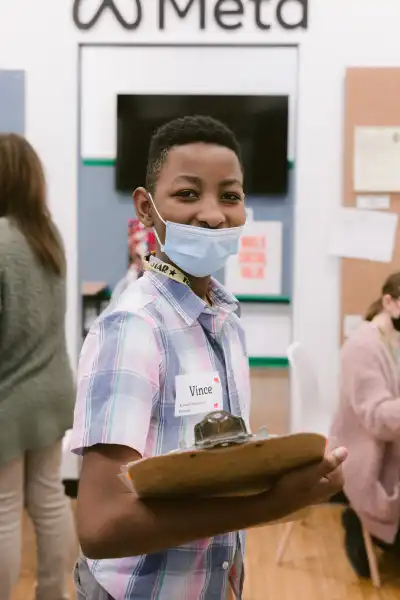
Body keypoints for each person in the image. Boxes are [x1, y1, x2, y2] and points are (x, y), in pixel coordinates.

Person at [70, 115, 346, 600]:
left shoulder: (225, 320)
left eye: (231, 195)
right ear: (146, 208)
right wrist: (269, 504)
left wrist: (285, 467)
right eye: (188, 194)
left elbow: (213, 460)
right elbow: (99, 524)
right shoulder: (133, 327)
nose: (214, 215)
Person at [0, 134, 77, 599]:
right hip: (52, 388)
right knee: (49, 497)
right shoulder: (49, 237)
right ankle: (55, 592)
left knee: (4, 508)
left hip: (11, 395)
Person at [330, 272, 400, 578]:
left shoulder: (393, 341)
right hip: (366, 458)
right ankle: (355, 517)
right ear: (390, 303)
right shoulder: (363, 347)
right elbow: (378, 419)